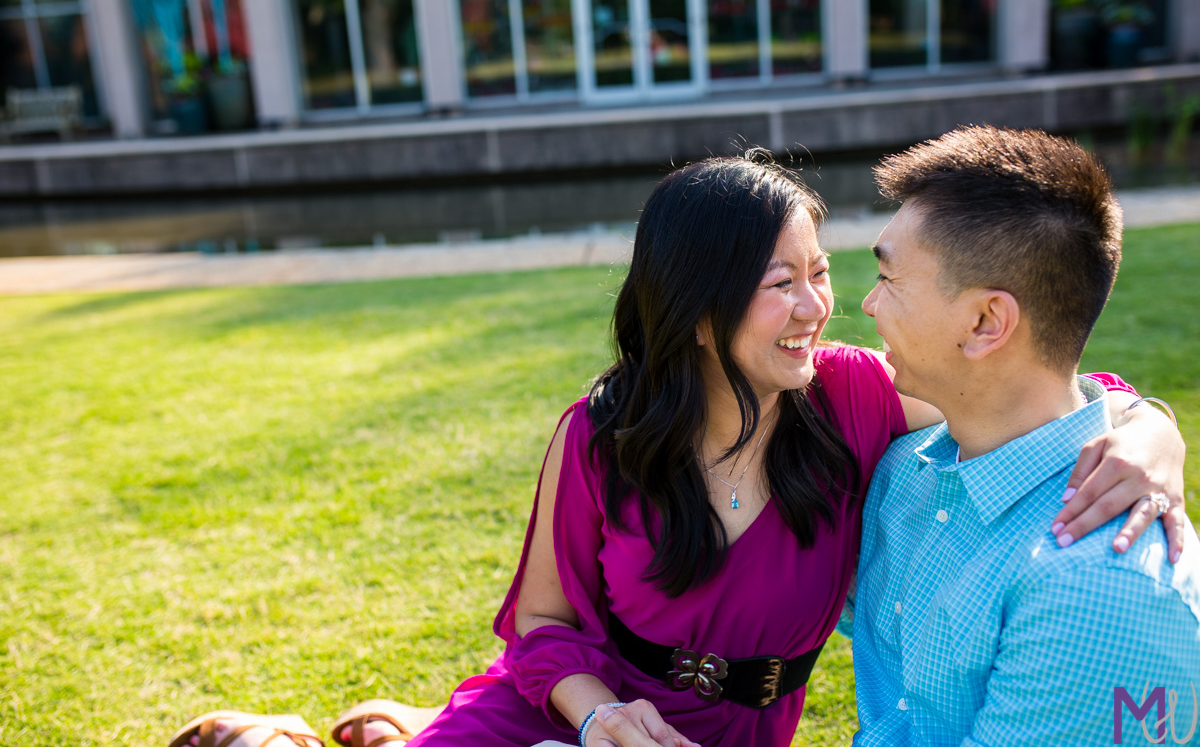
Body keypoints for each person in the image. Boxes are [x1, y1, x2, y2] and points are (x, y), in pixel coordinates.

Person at [168, 152, 1185, 747]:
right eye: (779, 280)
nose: (821, 306)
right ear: (698, 305)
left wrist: (1151, 428)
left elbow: (1031, 395)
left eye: (823, 272)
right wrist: (599, 711)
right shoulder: (602, 433)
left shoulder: (858, 397)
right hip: (577, 713)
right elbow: (541, 623)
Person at [848, 125, 1199, 746]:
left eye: (892, 279)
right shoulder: (907, 470)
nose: (870, 304)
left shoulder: (1099, 586)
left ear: (986, 322)